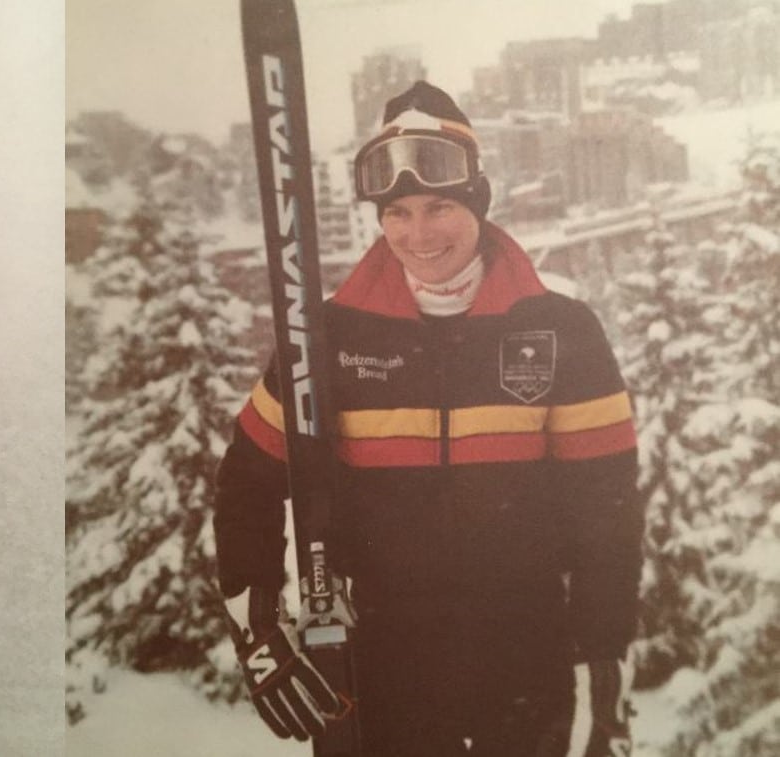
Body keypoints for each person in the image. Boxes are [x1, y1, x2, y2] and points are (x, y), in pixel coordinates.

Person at [213, 81, 644, 756]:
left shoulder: (559, 330)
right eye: (399, 212)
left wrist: (605, 671)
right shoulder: (327, 338)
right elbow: (246, 482)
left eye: (439, 206)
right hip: (376, 664)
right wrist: (259, 632)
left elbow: (607, 512)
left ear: (476, 201)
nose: (418, 234)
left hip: (522, 657)